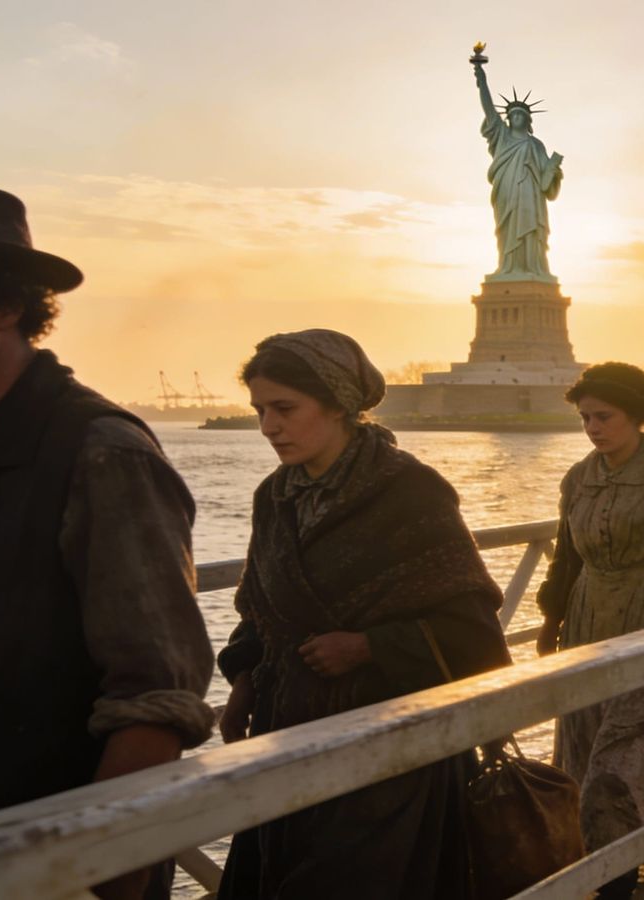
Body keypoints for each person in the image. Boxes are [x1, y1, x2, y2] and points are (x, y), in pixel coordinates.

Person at [0, 182, 213, 899]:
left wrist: (93, 880)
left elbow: (155, 700)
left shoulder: (100, 452)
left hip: (44, 869)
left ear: (5, 305)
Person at [217, 330, 511, 900]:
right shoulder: (273, 497)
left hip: (391, 749)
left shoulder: (411, 491)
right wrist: (244, 677)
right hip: (286, 735)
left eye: (284, 409)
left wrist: (368, 646)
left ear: (337, 403)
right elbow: (260, 609)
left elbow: (472, 630)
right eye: (259, 411)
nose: (268, 427)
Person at [534, 362, 644, 895]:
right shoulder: (578, 478)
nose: (592, 427)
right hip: (587, 621)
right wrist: (550, 621)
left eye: (604, 417)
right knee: (586, 747)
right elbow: (566, 558)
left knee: (632, 754)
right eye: (585, 418)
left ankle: (616, 876)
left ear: (636, 417)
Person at [472, 53, 563, 281]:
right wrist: (482, 80)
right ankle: (507, 267)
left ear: (528, 121)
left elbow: (546, 179)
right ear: (508, 119)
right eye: (513, 115)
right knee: (507, 230)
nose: (517, 118)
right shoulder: (501, 137)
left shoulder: (536, 145)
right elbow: (489, 110)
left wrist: (554, 171)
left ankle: (532, 267)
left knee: (531, 229)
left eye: (521, 115)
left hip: (530, 194)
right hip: (506, 190)